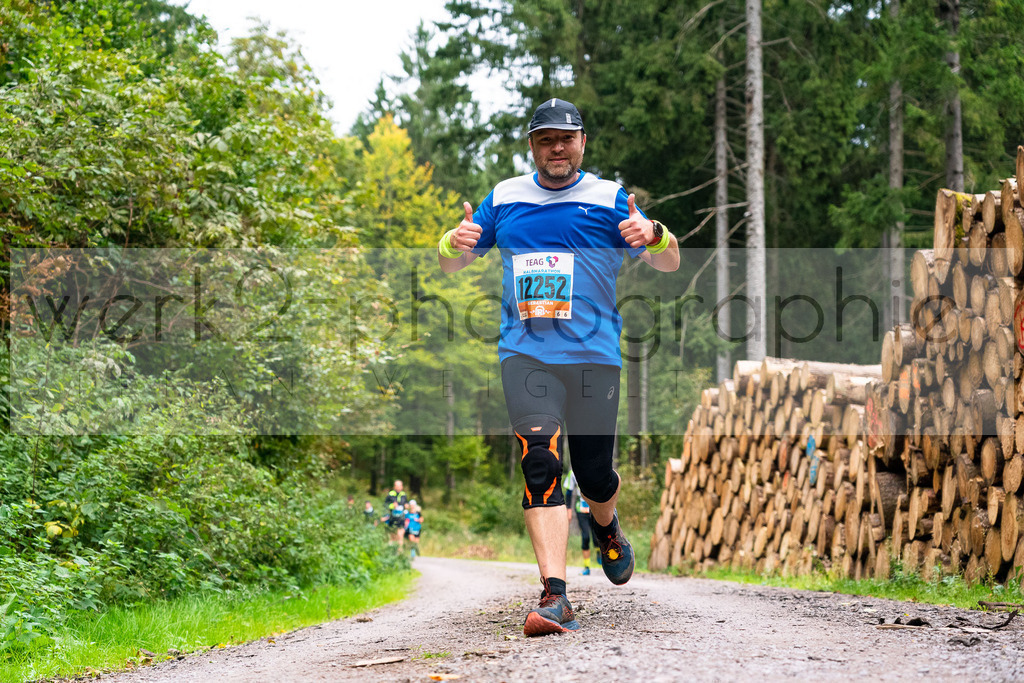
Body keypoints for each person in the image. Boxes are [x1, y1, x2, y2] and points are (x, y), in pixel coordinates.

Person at [437, 98, 680, 636]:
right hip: (525, 354)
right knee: (540, 461)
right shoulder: (504, 197)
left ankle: (607, 524)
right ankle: (555, 596)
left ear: (582, 142)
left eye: (566, 138)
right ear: (532, 146)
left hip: (595, 356)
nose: (557, 148)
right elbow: (452, 258)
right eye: (545, 139)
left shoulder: (609, 198)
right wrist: (450, 243)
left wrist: (656, 233)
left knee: (594, 474)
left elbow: (669, 259)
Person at [564, 468, 601, 575]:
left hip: (594, 509)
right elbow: (569, 493)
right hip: (581, 510)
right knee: (585, 537)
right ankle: (587, 567)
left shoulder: (595, 467)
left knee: (596, 538)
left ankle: (599, 553)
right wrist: (569, 510)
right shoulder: (573, 472)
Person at [381, 480, 408, 548]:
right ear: (394, 486)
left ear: (402, 487)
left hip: (401, 518)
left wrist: (406, 506)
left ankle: (400, 552)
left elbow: (406, 505)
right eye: (397, 485)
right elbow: (385, 505)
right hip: (392, 518)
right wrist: (392, 506)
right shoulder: (390, 494)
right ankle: (392, 551)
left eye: (400, 485)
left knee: (400, 535)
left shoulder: (404, 495)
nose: (398, 487)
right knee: (393, 537)